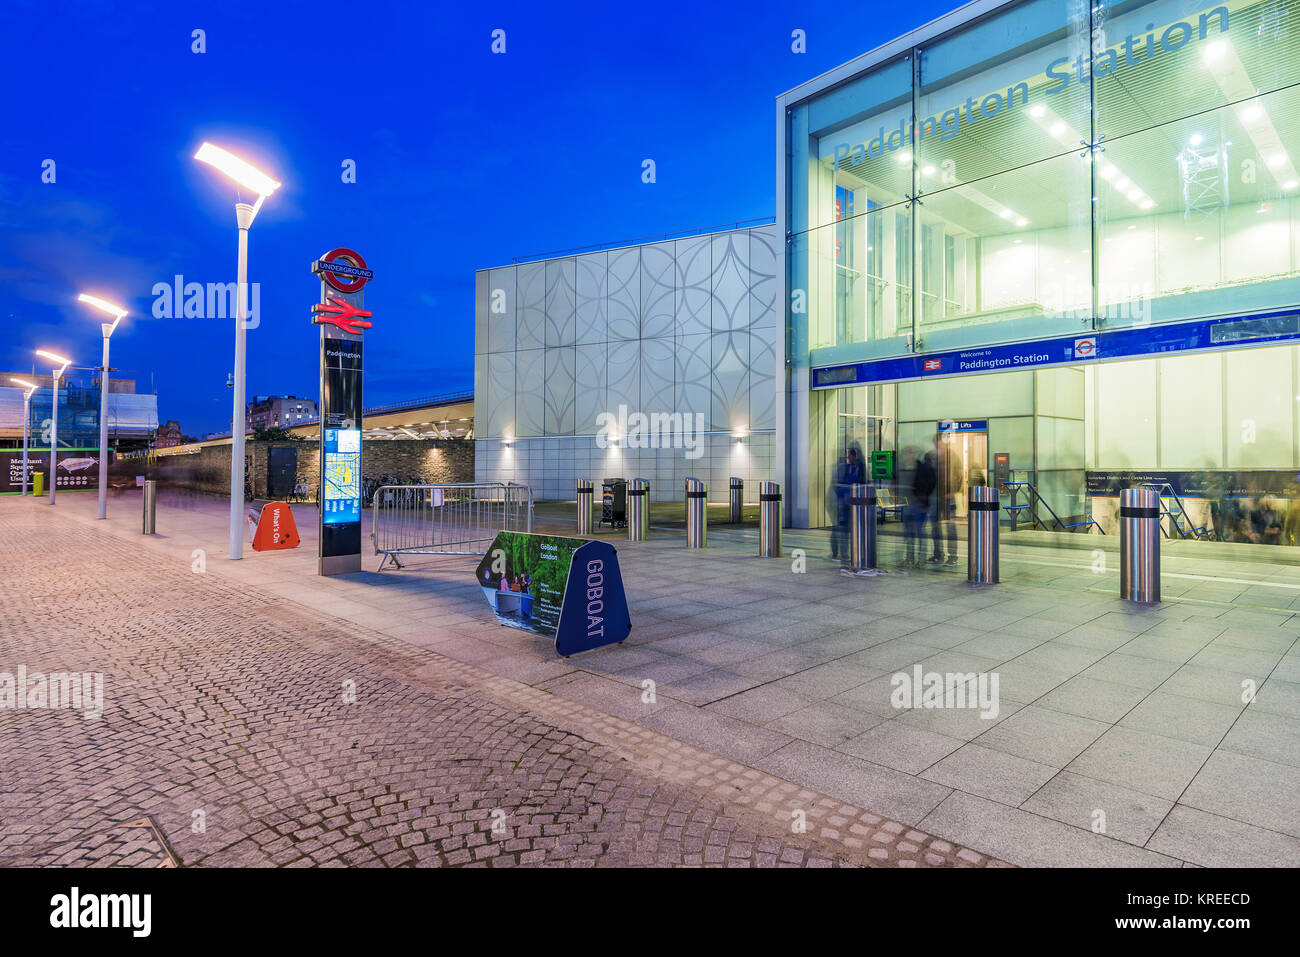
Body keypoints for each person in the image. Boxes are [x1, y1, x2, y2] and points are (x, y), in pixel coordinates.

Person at [830, 446, 865, 564]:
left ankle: (853, 552)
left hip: (855, 504)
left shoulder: (861, 468)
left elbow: (862, 484)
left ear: (856, 456)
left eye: (850, 455)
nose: (848, 457)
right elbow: (838, 485)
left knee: (852, 529)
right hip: (843, 504)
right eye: (847, 455)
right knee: (842, 529)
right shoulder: (844, 468)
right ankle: (840, 553)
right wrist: (844, 496)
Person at [907, 450, 936, 567]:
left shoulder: (924, 470)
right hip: (917, 502)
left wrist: (925, 503)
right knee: (916, 532)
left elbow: (927, 487)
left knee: (918, 532)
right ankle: (915, 557)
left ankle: (919, 557)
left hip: (920, 503)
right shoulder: (922, 470)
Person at [932, 446, 960, 565]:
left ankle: (953, 556)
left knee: (950, 528)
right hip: (936, 498)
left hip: (949, 498)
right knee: (935, 527)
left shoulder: (952, 457)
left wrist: (953, 491)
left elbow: (959, 475)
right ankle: (938, 554)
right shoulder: (933, 456)